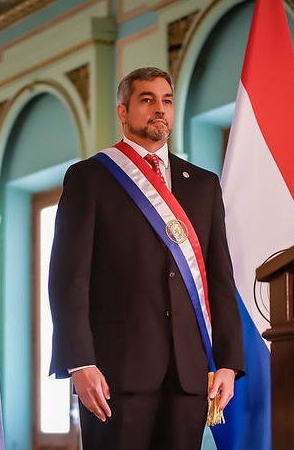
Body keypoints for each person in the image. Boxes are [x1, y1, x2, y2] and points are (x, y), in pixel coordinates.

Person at [48, 66, 245, 450]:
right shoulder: (90, 178)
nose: (160, 109)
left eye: (167, 100)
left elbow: (220, 278)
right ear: (123, 112)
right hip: (113, 376)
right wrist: (79, 363)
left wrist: (228, 362)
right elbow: (68, 280)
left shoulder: (204, 185)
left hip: (189, 375)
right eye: (147, 99)